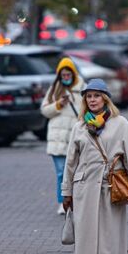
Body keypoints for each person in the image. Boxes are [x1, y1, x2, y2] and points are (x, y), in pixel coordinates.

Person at [61, 79, 128, 254]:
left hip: (111, 185)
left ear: (106, 99)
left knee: (110, 233)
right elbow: (70, 162)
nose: (92, 100)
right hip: (84, 186)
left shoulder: (121, 124)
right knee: (84, 234)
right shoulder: (79, 126)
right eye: (89, 97)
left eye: (97, 96)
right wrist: (66, 192)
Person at [41, 57, 86, 215]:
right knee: (61, 173)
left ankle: (77, 201)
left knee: (77, 173)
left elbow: (88, 110)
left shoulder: (83, 89)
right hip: (58, 139)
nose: (66, 77)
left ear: (73, 74)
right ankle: (62, 202)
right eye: (63, 75)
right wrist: (58, 104)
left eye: (68, 74)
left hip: (76, 138)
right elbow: (45, 111)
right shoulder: (54, 89)